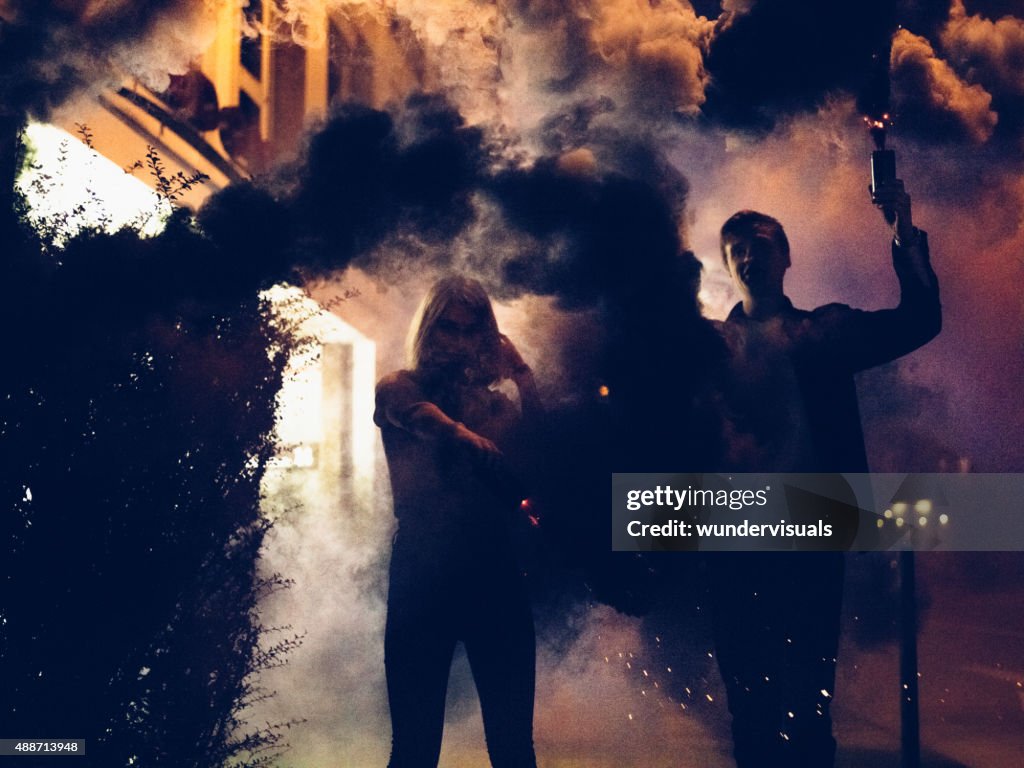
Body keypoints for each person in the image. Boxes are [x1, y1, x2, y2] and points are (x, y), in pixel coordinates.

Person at [708, 181, 941, 767]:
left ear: (787, 257)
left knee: (810, 704)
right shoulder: (708, 348)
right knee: (749, 710)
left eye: (761, 244)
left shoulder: (823, 332)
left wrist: (904, 232)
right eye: (737, 249)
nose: (750, 257)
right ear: (726, 264)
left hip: (811, 535)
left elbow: (919, 321)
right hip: (732, 540)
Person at [374, 275, 541, 768]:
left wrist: (523, 375)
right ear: (429, 330)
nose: (461, 343)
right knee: (413, 750)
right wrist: (464, 436)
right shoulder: (397, 387)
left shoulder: (496, 403)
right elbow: (419, 415)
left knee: (514, 749)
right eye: (449, 328)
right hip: (422, 578)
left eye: (473, 331)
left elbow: (542, 455)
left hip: (494, 573)